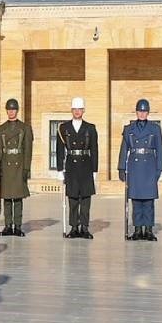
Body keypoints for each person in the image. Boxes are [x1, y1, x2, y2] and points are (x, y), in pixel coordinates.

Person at [119, 98, 162, 240]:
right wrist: (121, 168)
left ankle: (149, 230)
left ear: (148, 112)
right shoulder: (129, 129)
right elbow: (124, 149)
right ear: (136, 112)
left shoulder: (155, 128)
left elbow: (160, 150)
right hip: (135, 166)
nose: (142, 113)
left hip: (149, 166)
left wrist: (159, 169)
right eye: (140, 111)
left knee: (149, 201)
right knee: (137, 200)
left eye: (144, 111)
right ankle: (138, 229)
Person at [56, 97, 97, 239]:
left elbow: (94, 150)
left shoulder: (90, 128)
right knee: (73, 197)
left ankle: (84, 227)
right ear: (71, 110)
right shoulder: (64, 128)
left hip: (85, 165)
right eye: (75, 109)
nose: (77, 111)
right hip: (71, 166)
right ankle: (74, 227)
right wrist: (60, 169)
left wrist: (95, 170)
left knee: (85, 198)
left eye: (80, 109)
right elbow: (60, 149)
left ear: (83, 110)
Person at [0, 97, 32, 236]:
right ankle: (8, 225)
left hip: (19, 165)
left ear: (17, 111)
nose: (11, 112)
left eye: (13, 109)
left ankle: (18, 225)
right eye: (9, 110)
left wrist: (27, 168)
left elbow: (28, 150)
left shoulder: (25, 128)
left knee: (18, 197)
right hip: (6, 165)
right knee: (7, 197)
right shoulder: (1, 129)